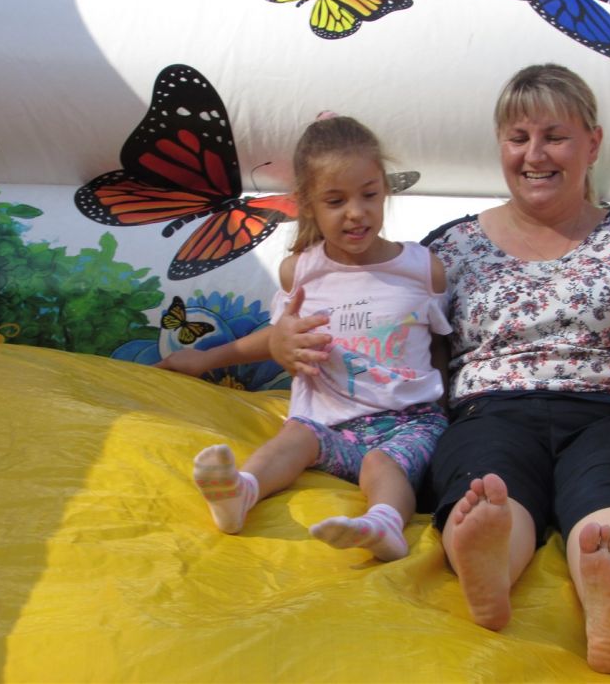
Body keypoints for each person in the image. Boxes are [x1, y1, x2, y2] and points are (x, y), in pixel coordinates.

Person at [159, 66, 610, 672]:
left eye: (555, 136)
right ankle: (488, 566)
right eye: (518, 137)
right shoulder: (448, 250)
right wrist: (278, 345)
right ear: (500, 145)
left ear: (593, 144)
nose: (534, 154)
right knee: (488, 484)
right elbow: (374, 324)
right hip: (491, 412)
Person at [158, 114, 451, 562]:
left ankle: (385, 523)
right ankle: (242, 491)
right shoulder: (301, 272)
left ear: (384, 190)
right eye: (335, 200)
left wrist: (449, 407)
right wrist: (203, 359)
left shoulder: (421, 268)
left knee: (382, 463)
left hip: (409, 422)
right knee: (294, 435)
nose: (356, 212)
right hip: (330, 426)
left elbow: (442, 344)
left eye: (369, 194)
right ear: (308, 205)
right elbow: (279, 338)